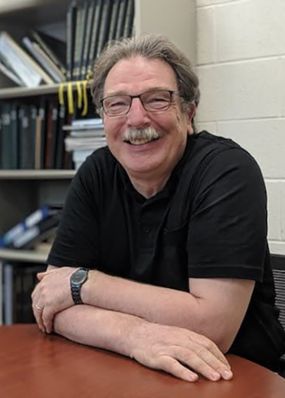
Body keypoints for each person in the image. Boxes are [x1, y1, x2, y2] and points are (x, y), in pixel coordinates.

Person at [32, 34, 285, 382]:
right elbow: (50, 303)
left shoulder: (227, 171)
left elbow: (213, 327)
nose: (136, 119)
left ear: (188, 112)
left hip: (229, 375)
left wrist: (82, 284)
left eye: (156, 99)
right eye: (117, 104)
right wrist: (134, 335)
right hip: (129, 368)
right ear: (103, 118)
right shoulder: (96, 172)